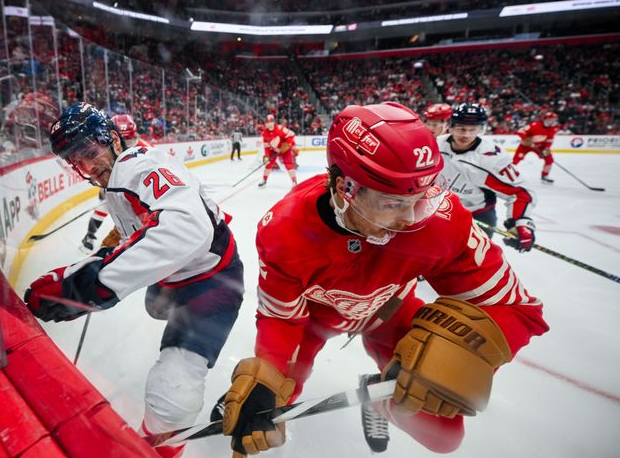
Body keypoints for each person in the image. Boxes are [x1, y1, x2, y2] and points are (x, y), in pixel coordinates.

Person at [218, 102, 548, 457]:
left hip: (390, 312)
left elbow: (519, 310)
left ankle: (376, 402)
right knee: (274, 400)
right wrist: (268, 370)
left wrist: (467, 355)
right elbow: (281, 317)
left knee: (444, 437)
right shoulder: (284, 231)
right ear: (346, 188)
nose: (411, 219)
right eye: (392, 203)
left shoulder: (443, 221)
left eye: (421, 198)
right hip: (314, 321)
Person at [25, 104, 244, 458]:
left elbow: (188, 228)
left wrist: (92, 283)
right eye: (75, 160)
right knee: (156, 305)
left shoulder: (137, 166)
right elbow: (142, 224)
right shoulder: (119, 173)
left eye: (89, 153)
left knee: (173, 398)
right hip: (175, 278)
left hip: (212, 283)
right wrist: (103, 259)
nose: (85, 167)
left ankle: (157, 449)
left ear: (112, 139)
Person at [438, 103, 536, 249]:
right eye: (461, 128)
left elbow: (520, 192)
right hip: (438, 212)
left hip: (476, 215)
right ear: (451, 126)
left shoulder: (491, 159)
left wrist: (520, 223)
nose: (466, 135)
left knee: (470, 264)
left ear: (481, 129)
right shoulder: (435, 145)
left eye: (473, 130)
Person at [80, 113, 151, 252]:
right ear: (112, 138)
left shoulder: (148, 151)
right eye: (124, 141)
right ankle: (90, 235)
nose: (127, 147)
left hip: (138, 200)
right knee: (104, 208)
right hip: (116, 188)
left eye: (130, 142)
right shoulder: (105, 152)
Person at [512, 111, 560, 183]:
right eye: (552, 119)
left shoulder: (552, 129)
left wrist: (546, 148)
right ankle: (508, 173)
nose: (553, 121)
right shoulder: (535, 125)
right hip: (525, 146)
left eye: (554, 119)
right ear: (546, 119)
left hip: (539, 146)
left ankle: (545, 175)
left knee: (549, 159)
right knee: (516, 160)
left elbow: (549, 140)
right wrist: (526, 139)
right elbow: (520, 131)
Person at [259, 114, 297, 188]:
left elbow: (292, 134)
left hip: (284, 149)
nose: (269, 124)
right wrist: (266, 156)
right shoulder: (264, 133)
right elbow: (266, 147)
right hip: (274, 150)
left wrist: (286, 145)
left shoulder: (280, 128)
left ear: (273, 122)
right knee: (268, 164)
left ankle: (294, 181)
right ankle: (264, 180)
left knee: (289, 164)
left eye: (270, 122)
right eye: (267, 122)